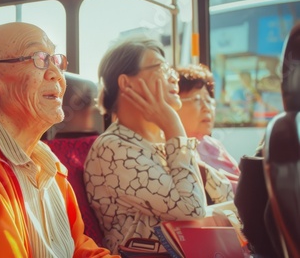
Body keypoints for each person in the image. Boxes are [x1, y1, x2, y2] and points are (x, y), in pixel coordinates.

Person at [0, 22, 117, 258]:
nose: (57, 74)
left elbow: (78, 248)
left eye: (55, 60)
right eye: (39, 58)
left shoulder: (48, 161)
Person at [83, 38, 234, 254]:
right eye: (163, 68)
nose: (174, 77)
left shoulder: (162, 143)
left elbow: (226, 194)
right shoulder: (113, 148)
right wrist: (174, 125)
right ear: (127, 83)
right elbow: (191, 210)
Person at [176, 64, 240, 177]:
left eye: (209, 100)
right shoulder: (178, 153)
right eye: (197, 99)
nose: (207, 108)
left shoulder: (213, 144)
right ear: (174, 105)